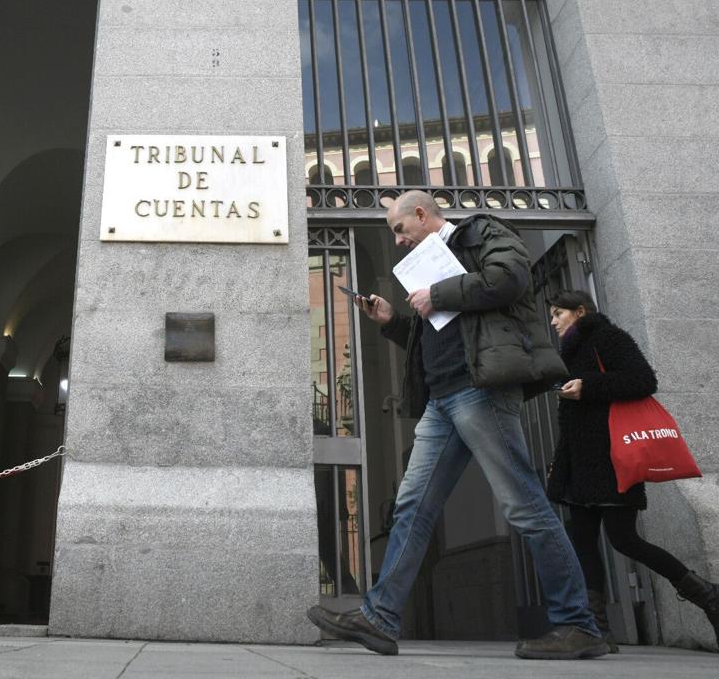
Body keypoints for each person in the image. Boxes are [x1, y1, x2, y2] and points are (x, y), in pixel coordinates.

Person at [306, 190, 606, 660]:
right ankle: (379, 617)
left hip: (481, 390)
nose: (399, 241)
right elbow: (443, 336)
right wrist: (391, 321)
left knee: (524, 505)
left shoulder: (480, 233)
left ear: (422, 214)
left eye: (400, 229)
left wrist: (438, 293)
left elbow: (509, 279)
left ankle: (577, 624)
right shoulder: (430, 268)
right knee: (412, 506)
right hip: (442, 398)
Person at [546, 290, 719, 652]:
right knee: (582, 541)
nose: (553, 321)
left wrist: (589, 386)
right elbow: (573, 421)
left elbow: (643, 380)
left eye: (558, 313)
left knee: (624, 539)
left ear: (580, 312)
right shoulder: (571, 350)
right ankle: (596, 630)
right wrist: (560, 470)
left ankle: (708, 597)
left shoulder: (607, 337)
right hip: (583, 465)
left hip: (612, 460)